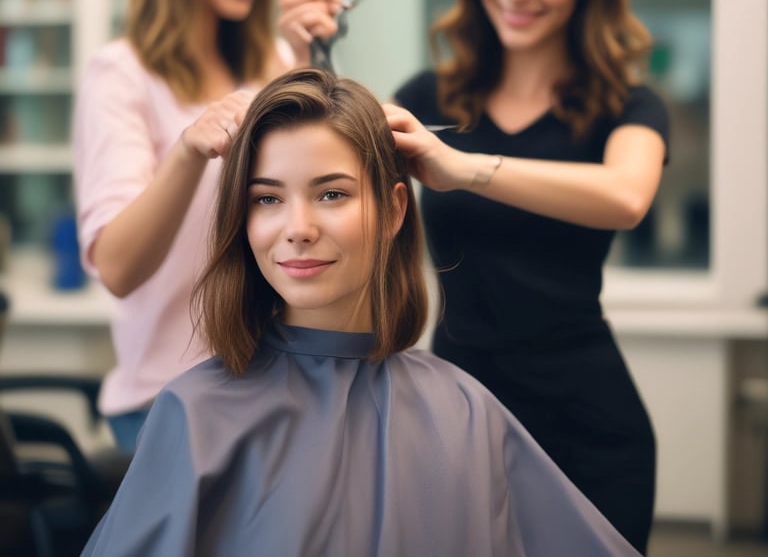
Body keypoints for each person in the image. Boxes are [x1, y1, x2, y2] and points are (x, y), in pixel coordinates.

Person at [79, 68, 641, 557]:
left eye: (331, 194)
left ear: (395, 208)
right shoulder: (194, 414)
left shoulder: (467, 412)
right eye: (267, 198)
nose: (298, 228)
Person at [384, 0, 669, 555]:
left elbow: (626, 196)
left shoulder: (628, 106)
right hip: (459, 410)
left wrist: (463, 167)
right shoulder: (429, 97)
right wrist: (307, 55)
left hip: (591, 425)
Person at [73, 0, 343, 452]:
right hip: (170, 405)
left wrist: (310, 69)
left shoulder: (277, 63)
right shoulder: (121, 74)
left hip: (277, 386)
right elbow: (117, 267)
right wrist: (189, 151)